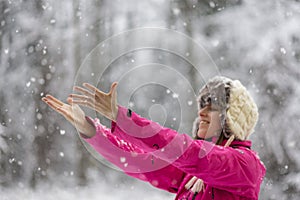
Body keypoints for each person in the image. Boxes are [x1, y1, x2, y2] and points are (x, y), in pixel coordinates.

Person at [42, 76, 266, 200]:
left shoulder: (245, 165)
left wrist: (123, 118)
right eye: (201, 105)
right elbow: (140, 162)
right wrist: (90, 129)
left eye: (212, 107)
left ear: (231, 120)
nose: (201, 113)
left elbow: (187, 151)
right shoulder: (193, 175)